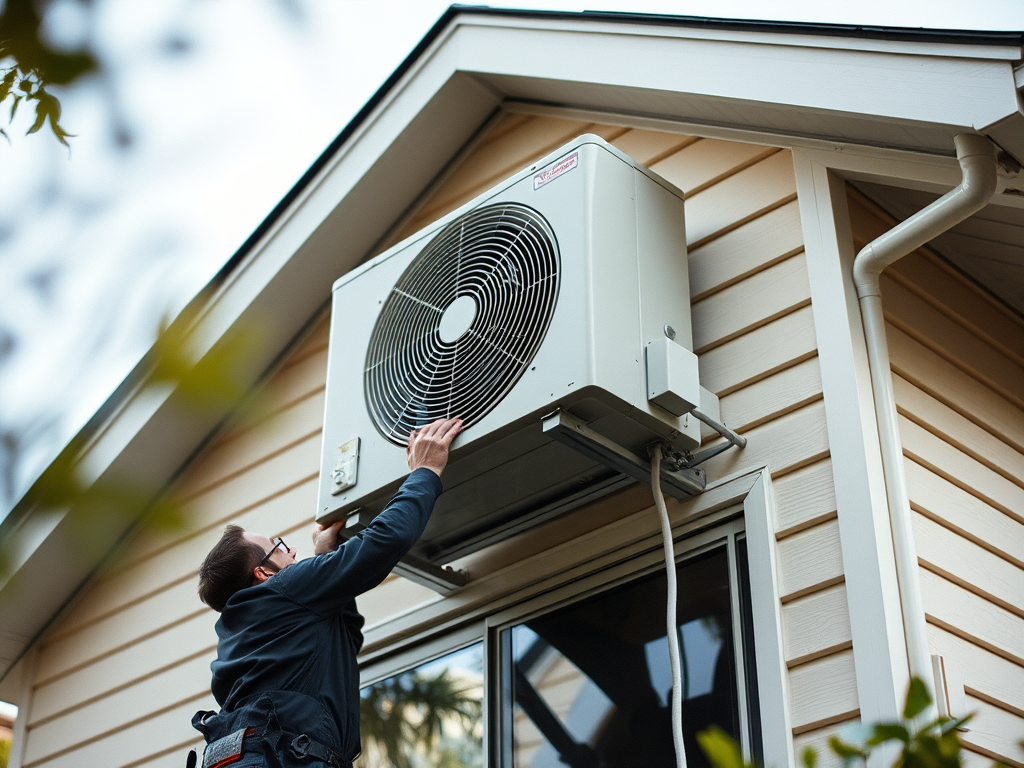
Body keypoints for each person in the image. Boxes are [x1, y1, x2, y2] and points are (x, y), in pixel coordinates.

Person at [191, 417, 463, 768]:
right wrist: (425, 470)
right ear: (262, 573)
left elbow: (342, 638)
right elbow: (384, 542)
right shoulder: (283, 590)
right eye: (279, 546)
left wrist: (325, 559)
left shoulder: (243, 630)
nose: (291, 552)